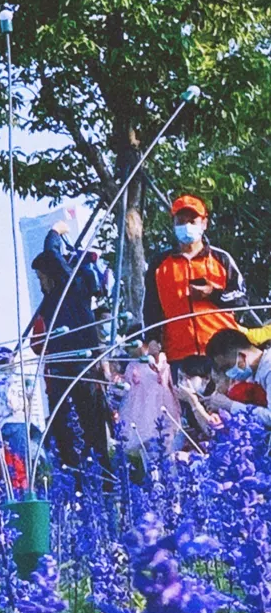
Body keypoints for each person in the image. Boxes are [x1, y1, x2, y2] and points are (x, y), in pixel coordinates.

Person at [144, 194, 254, 364]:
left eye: (192, 221)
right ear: (173, 224)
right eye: (180, 221)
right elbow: (151, 307)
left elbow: (242, 299)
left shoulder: (221, 258)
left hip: (223, 353)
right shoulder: (159, 264)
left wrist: (213, 293)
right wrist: (152, 340)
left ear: (204, 224)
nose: (186, 226)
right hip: (178, 356)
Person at [31, 244, 112, 469]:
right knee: (66, 440)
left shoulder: (72, 290)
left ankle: (103, 484)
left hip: (80, 374)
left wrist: (54, 234)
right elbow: (36, 344)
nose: (40, 284)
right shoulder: (50, 304)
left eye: (42, 278)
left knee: (92, 435)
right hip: (59, 377)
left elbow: (52, 256)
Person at [116, 332, 182, 461]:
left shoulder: (159, 360)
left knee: (164, 435)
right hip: (139, 406)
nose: (130, 350)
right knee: (143, 438)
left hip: (160, 402)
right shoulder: (132, 365)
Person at [205, 328, 271, 425]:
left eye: (227, 366)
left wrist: (230, 406)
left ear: (242, 356)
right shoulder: (256, 373)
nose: (228, 373)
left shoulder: (268, 368)